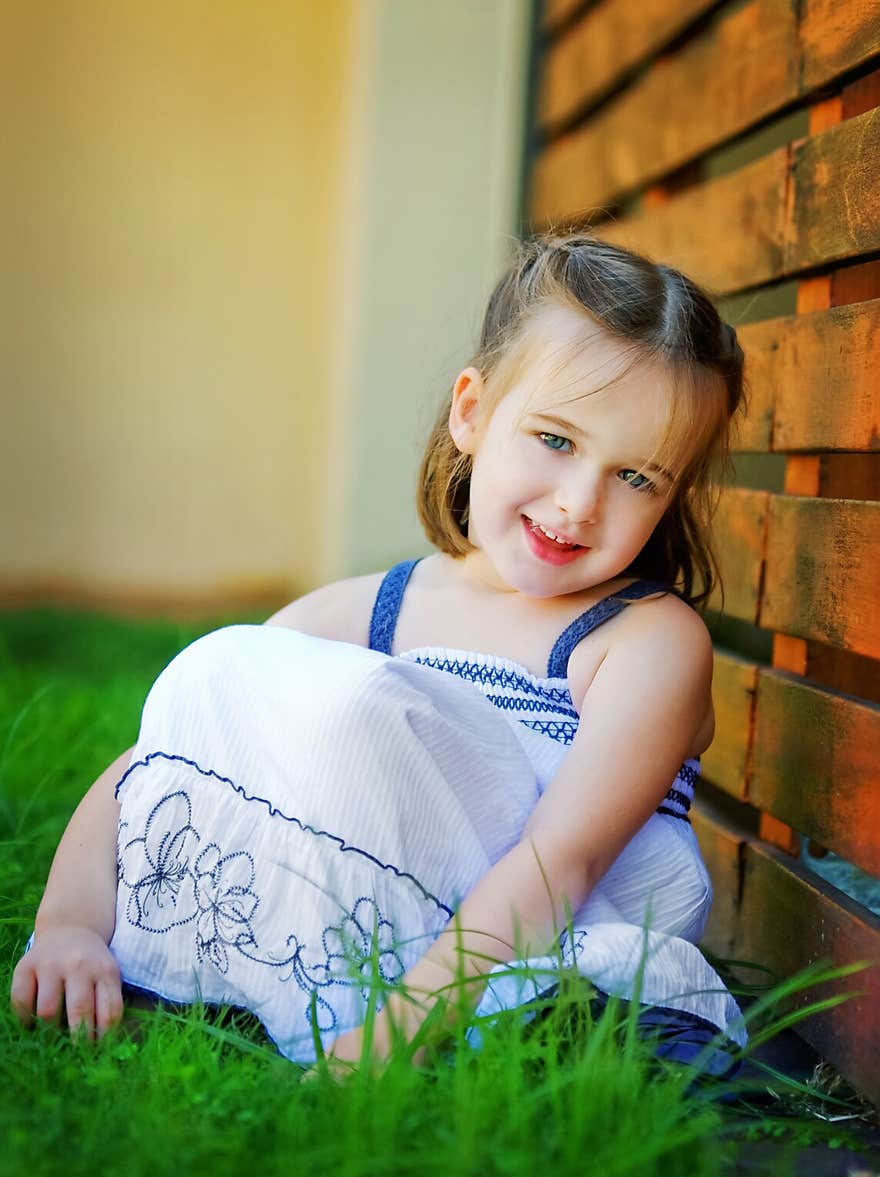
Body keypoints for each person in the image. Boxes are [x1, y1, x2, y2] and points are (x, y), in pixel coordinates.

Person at [11, 230, 748, 1073]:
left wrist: (398, 1033)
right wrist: (68, 923)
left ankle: (429, 1018)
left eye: (637, 478)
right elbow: (164, 759)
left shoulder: (644, 641)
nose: (580, 503)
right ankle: (261, 979)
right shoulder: (368, 612)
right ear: (471, 412)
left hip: (538, 945)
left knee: (358, 711)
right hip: (367, 929)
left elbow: (564, 859)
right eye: (555, 440)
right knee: (225, 665)